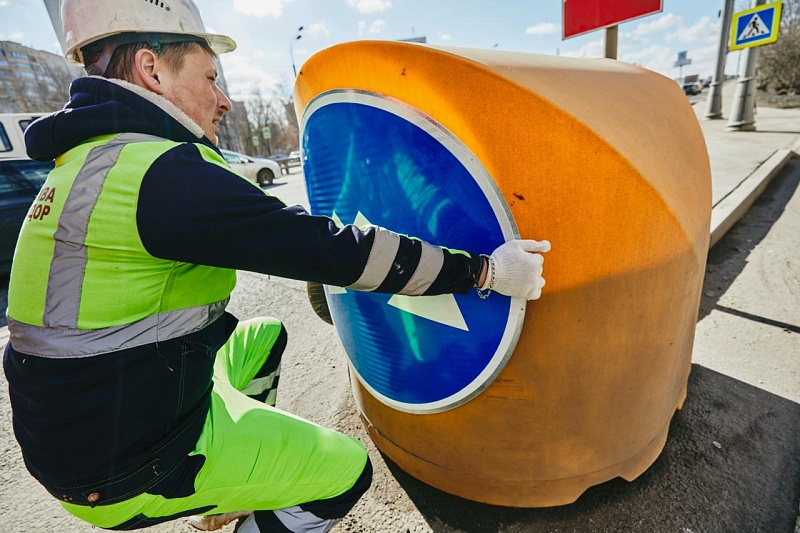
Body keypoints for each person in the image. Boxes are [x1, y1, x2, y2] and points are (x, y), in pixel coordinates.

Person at [2, 1, 550, 531]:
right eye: (211, 78)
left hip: (95, 419)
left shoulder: (92, 160)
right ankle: (217, 487)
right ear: (152, 71)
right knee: (345, 473)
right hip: (124, 459)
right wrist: (484, 272)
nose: (224, 102)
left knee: (263, 337)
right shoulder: (160, 174)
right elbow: (334, 250)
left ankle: (222, 499)